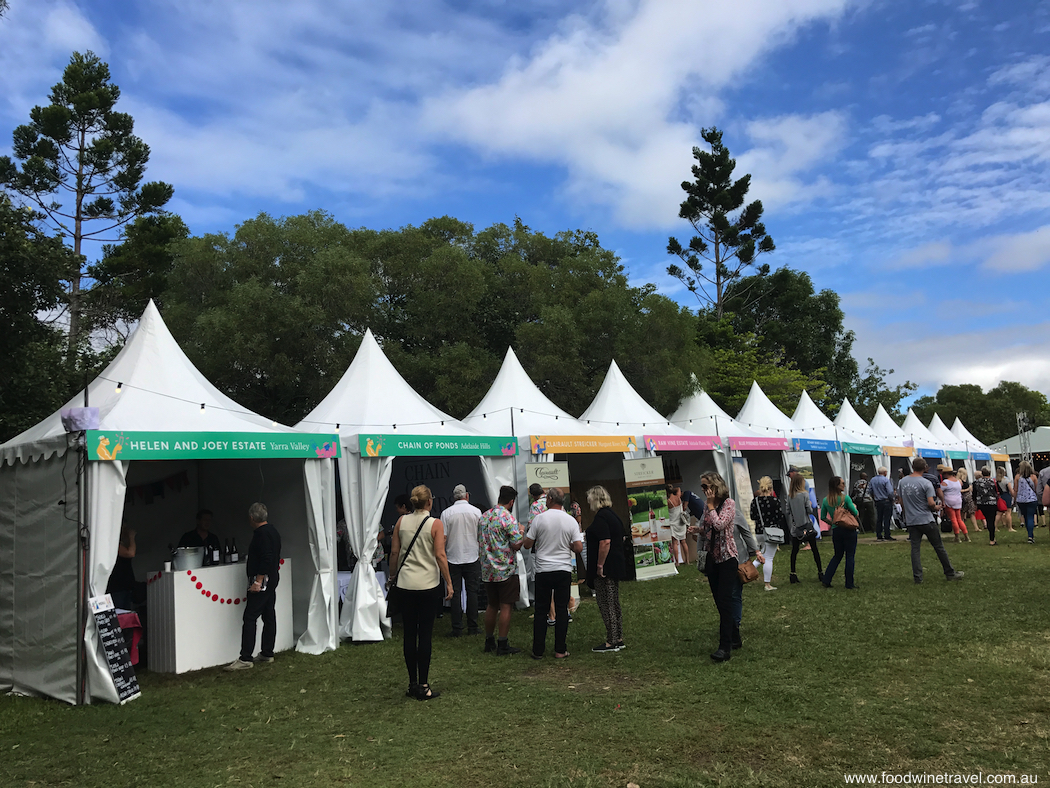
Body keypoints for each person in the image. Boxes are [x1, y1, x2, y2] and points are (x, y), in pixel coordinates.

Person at [388, 485, 453, 700]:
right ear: (430, 502)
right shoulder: (435, 524)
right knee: (424, 634)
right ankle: (424, 684)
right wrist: (449, 583)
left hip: (405, 582)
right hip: (427, 584)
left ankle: (412, 683)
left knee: (409, 633)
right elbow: (440, 556)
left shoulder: (401, 522)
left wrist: (392, 576)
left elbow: (395, 551)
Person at [524, 487, 583, 660]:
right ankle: (560, 649)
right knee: (561, 609)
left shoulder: (539, 519)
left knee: (541, 610)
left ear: (550, 499)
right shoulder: (570, 520)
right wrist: (568, 545)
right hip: (563, 569)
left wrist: (525, 536)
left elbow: (528, 544)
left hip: (543, 569)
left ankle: (538, 650)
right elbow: (578, 547)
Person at [685, 472, 737, 662]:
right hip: (712, 559)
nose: (704, 490)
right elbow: (708, 527)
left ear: (715, 486)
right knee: (719, 601)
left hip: (727, 558)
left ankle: (725, 647)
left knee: (724, 600)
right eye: (702, 487)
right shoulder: (709, 506)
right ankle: (735, 636)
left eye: (706, 486)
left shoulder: (728, 503)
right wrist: (697, 530)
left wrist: (710, 506)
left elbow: (720, 525)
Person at [226, 502, 282, 671]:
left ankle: (246, 657)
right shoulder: (273, 531)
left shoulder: (260, 534)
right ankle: (267, 652)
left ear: (251, 518)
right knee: (268, 614)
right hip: (272, 577)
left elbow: (266, 557)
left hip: (262, 580)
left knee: (250, 617)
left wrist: (258, 581)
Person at [899, 458, 965, 584]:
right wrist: (937, 507)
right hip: (926, 519)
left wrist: (906, 513)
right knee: (939, 547)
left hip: (912, 520)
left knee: (915, 549)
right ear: (925, 468)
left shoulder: (903, 482)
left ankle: (918, 577)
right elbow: (930, 503)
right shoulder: (926, 483)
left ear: (912, 467)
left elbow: (901, 501)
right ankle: (949, 572)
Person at [478, 485, 525, 656]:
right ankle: (502, 643)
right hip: (505, 569)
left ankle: (489, 640)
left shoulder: (484, 517)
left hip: (487, 569)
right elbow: (516, 545)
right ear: (511, 501)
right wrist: (521, 531)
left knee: (492, 605)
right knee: (506, 606)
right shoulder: (508, 518)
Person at [585, 485, 627, 653]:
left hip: (607, 566)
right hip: (615, 563)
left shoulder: (601, 517)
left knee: (606, 602)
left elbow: (605, 541)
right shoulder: (613, 515)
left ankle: (612, 640)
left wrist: (600, 565)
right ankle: (618, 637)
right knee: (613, 602)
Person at [439, 484, 483, 637]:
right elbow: (481, 535)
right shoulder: (476, 512)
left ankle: (457, 628)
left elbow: (443, 538)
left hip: (453, 557)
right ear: (467, 496)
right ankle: (473, 626)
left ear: (453, 497)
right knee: (473, 592)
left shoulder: (446, 513)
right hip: (472, 556)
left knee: (455, 593)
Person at [819, 476, 859, 589]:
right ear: (837, 486)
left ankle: (827, 579)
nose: (844, 485)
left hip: (836, 530)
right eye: (842, 483)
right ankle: (849, 583)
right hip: (849, 529)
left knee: (837, 555)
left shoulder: (826, 500)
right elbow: (855, 513)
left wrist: (833, 522)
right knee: (850, 556)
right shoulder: (845, 499)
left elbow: (822, 517)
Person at [786, 472, 823, 583]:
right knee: (814, 550)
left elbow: (787, 511)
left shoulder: (790, 496)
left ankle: (793, 573)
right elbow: (810, 510)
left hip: (796, 528)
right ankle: (820, 572)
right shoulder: (805, 495)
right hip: (806, 525)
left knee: (794, 551)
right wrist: (810, 504)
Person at [749, 476, 783, 591]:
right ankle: (767, 584)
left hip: (759, 531)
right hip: (772, 532)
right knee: (768, 558)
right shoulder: (775, 501)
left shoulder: (755, 501)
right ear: (771, 488)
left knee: (762, 555)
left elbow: (752, 516)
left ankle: (746, 573)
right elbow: (780, 517)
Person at [107, 525, 139, 611]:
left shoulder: (121, 544)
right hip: (117, 586)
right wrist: (131, 537)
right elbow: (130, 553)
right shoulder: (113, 545)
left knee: (127, 615)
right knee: (120, 614)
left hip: (126, 585)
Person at [940, 468, 969, 543]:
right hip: (958, 501)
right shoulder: (958, 481)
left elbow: (940, 490)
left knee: (953, 519)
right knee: (959, 519)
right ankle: (966, 536)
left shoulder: (945, 482)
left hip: (949, 501)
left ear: (946, 474)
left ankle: (957, 537)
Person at [972, 467, 999, 546]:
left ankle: (992, 537)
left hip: (981, 503)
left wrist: (975, 504)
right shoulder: (994, 481)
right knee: (991, 520)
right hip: (992, 502)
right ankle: (992, 539)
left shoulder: (976, 482)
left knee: (987, 519)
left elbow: (974, 494)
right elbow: (998, 491)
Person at [1014, 461, 1039, 544]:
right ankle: (1030, 536)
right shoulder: (1034, 477)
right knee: (1030, 516)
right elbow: (1036, 489)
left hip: (1021, 500)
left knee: (1025, 517)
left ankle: (1029, 534)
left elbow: (1016, 489)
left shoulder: (1017, 477)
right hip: (1032, 499)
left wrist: (1014, 499)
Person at [869, 467, 897, 542]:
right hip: (886, 501)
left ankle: (879, 535)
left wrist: (874, 497)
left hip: (878, 501)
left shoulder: (873, 480)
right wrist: (892, 499)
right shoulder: (885, 480)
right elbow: (890, 492)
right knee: (887, 518)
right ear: (885, 472)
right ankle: (887, 535)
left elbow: (870, 490)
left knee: (879, 518)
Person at [666, 484, 690, 567]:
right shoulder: (678, 497)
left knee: (675, 543)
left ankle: (677, 562)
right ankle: (687, 560)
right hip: (681, 523)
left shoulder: (668, 501)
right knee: (683, 542)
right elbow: (678, 488)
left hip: (673, 523)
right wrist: (671, 488)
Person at [958, 467, 979, 533]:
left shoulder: (963, 481)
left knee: (970, 512)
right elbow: (958, 490)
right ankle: (960, 527)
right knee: (963, 513)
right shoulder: (959, 481)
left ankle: (976, 527)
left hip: (968, 497)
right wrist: (968, 489)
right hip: (964, 497)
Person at [996, 468, 1016, 533]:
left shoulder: (996, 481)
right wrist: (1014, 495)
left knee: (999, 513)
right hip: (1006, 496)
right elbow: (1011, 490)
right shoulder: (1006, 481)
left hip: (1000, 497)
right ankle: (1010, 527)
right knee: (1008, 513)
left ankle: (995, 527)